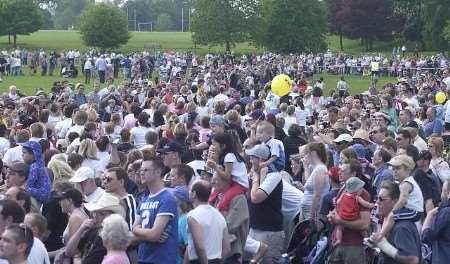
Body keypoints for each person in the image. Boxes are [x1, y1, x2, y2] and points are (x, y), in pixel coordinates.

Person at [133, 157, 178, 264]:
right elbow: (133, 233)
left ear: (158, 172)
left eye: (146, 170)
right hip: (143, 258)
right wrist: (139, 231)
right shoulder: (144, 199)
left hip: (162, 259)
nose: (141, 173)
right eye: (141, 170)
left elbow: (154, 235)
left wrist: (138, 231)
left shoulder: (167, 198)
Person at [370, 155, 424, 243]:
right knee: (389, 215)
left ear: (407, 169)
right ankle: (381, 235)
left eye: (398, 169)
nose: (394, 171)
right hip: (410, 210)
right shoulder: (401, 182)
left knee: (391, 215)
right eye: (393, 169)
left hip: (414, 212)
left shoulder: (406, 183)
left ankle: (379, 237)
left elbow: (403, 200)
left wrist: (393, 211)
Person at [366, 181, 421, 264]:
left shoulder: (402, 227)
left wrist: (385, 246)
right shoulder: (385, 221)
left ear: (395, 202)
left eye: (381, 199)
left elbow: (412, 260)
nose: (377, 202)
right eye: (377, 198)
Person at [246, 144, 284, 263]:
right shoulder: (255, 173)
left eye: (252, 158)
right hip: (254, 227)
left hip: (269, 231)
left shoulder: (274, 176)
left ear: (262, 160)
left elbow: (256, 197)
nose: (250, 161)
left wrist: (256, 178)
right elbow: (247, 195)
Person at [186, 180, 229, 263]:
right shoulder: (219, 215)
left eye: (190, 190)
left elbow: (200, 247)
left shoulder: (193, 215)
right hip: (216, 260)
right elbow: (227, 248)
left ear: (194, 193)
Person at [206, 133, 248, 213]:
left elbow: (227, 176)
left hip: (240, 185)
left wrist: (215, 167)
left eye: (215, 144)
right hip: (233, 183)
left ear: (223, 146)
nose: (213, 147)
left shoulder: (229, 156)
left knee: (223, 203)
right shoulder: (226, 156)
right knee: (213, 195)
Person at [334, 177, 374, 245]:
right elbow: (365, 204)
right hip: (352, 217)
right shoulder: (357, 197)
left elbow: (338, 202)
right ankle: (367, 238)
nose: (362, 190)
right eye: (361, 188)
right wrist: (372, 205)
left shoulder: (343, 194)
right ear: (357, 189)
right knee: (362, 229)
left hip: (343, 215)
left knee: (339, 228)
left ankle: (338, 239)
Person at [299, 142, 330, 223]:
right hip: (306, 208)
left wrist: (311, 216)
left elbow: (317, 195)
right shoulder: (316, 168)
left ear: (313, 153)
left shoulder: (320, 169)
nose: (304, 157)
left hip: (312, 211)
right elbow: (308, 184)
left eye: (305, 154)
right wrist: (305, 167)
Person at [21, 141, 51, 206]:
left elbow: (28, 185)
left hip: (40, 197)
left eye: (24, 153)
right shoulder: (39, 163)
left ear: (33, 154)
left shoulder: (35, 167)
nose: (22, 155)